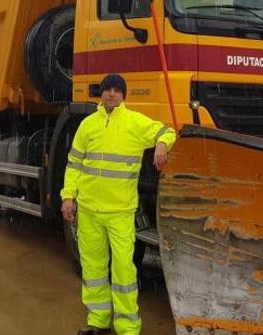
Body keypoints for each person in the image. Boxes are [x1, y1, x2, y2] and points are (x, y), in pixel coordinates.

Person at [61, 73, 176, 335]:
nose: (111, 93)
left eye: (117, 90)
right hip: (89, 210)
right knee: (93, 269)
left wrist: (160, 145)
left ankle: (127, 328)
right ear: (100, 94)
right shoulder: (87, 125)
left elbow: (167, 131)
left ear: (124, 95)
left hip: (120, 212)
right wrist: (68, 197)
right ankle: (98, 322)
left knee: (123, 270)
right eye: (107, 90)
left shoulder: (134, 123)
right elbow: (74, 164)